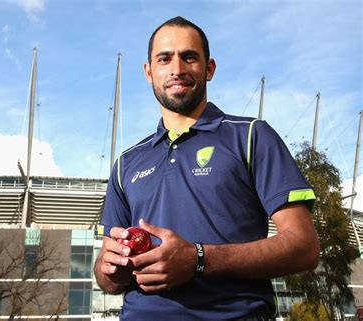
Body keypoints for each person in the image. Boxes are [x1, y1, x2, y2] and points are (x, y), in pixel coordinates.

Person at [94, 16, 319, 321]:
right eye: (164, 58)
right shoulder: (126, 163)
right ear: (149, 72)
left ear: (209, 68)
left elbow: (304, 246)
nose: (177, 69)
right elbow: (106, 279)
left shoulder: (251, 136)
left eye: (189, 57)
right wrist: (112, 268)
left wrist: (199, 259)